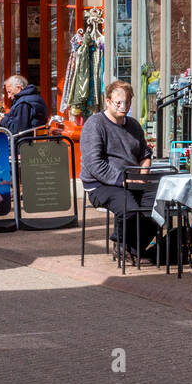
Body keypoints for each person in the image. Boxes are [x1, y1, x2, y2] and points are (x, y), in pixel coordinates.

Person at [79, 79, 157, 257]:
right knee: (128, 208)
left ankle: (133, 250)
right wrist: (124, 180)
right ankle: (121, 245)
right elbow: (94, 164)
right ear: (107, 101)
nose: (124, 106)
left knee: (160, 207)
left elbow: (145, 154)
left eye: (127, 102)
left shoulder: (134, 125)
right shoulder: (95, 124)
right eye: (118, 102)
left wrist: (143, 174)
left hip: (134, 181)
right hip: (101, 184)